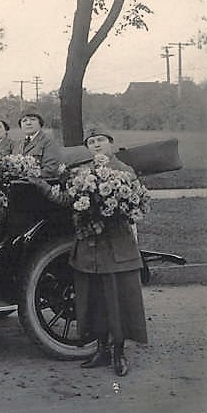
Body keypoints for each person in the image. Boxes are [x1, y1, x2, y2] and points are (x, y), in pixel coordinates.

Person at [32, 126, 147, 377]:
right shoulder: (82, 173)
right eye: (91, 142)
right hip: (88, 246)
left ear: (111, 143)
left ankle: (119, 353)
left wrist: (112, 207)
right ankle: (101, 349)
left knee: (116, 299)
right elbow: (67, 200)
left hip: (115, 246)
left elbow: (136, 204)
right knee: (92, 299)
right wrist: (42, 186)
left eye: (101, 140)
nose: (96, 145)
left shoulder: (124, 172)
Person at [13, 111, 61, 178]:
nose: (28, 123)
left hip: (39, 184)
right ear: (21, 125)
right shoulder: (17, 144)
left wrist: (27, 176)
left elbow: (50, 169)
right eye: (24, 121)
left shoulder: (48, 142)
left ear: (40, 123)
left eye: (33, 119)